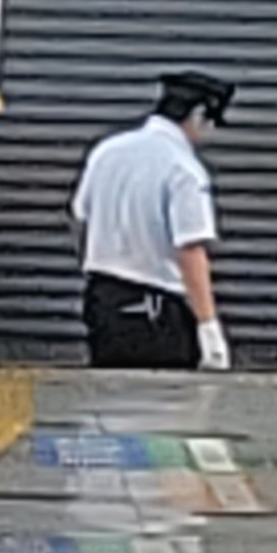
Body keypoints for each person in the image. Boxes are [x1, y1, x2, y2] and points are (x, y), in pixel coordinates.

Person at [71, 70, 236, 372]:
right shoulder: (183, 169)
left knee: (105, 400)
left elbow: (80, 218)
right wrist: (209, 327)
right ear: (198, 114)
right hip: (155, 309)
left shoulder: (107, 151)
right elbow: (190, 250)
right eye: (210, 122)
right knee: (162, 407)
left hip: (102, 298)